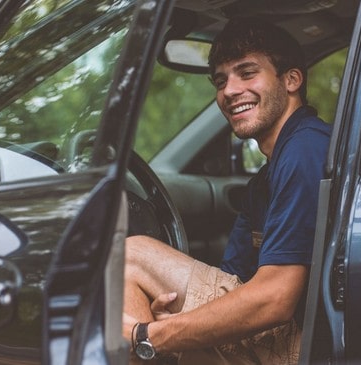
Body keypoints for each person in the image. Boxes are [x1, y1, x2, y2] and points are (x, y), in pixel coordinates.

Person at [122, 17, 331, 364]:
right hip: (281, 337)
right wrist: (172, 324)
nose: (229, 91)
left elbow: (276, 298)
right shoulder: (263, 181)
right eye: (221, 81)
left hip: (307, 346)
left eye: (247, 73)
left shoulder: (305, 148)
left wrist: (149, 335)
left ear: (292, 79)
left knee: (128, 256)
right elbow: (234, 285)